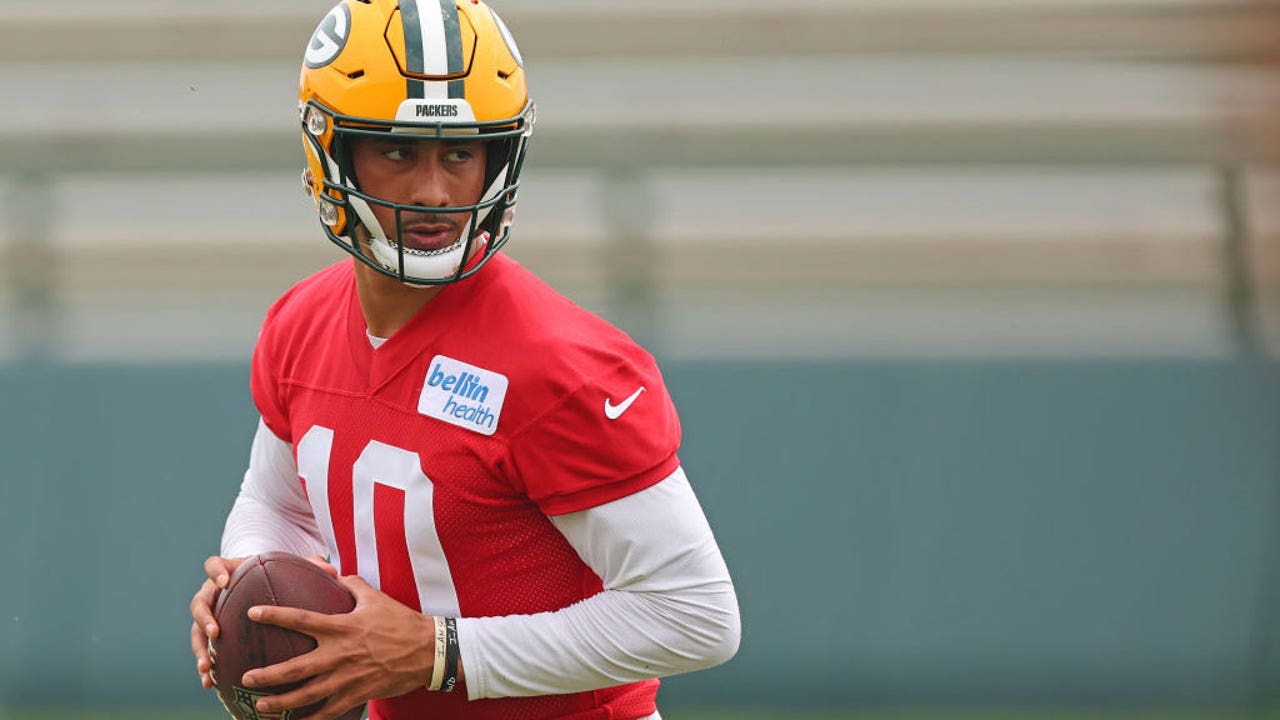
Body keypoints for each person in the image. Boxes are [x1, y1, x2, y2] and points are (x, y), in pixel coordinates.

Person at [187, 1, 741, 719]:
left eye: (458, 153)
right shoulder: (302, 322)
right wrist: (251, 585)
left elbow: (695, 615)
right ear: (332, 151)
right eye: (397, 151)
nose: (433, 191)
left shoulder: (560, 365)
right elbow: (276, 505)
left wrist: (440, 651)